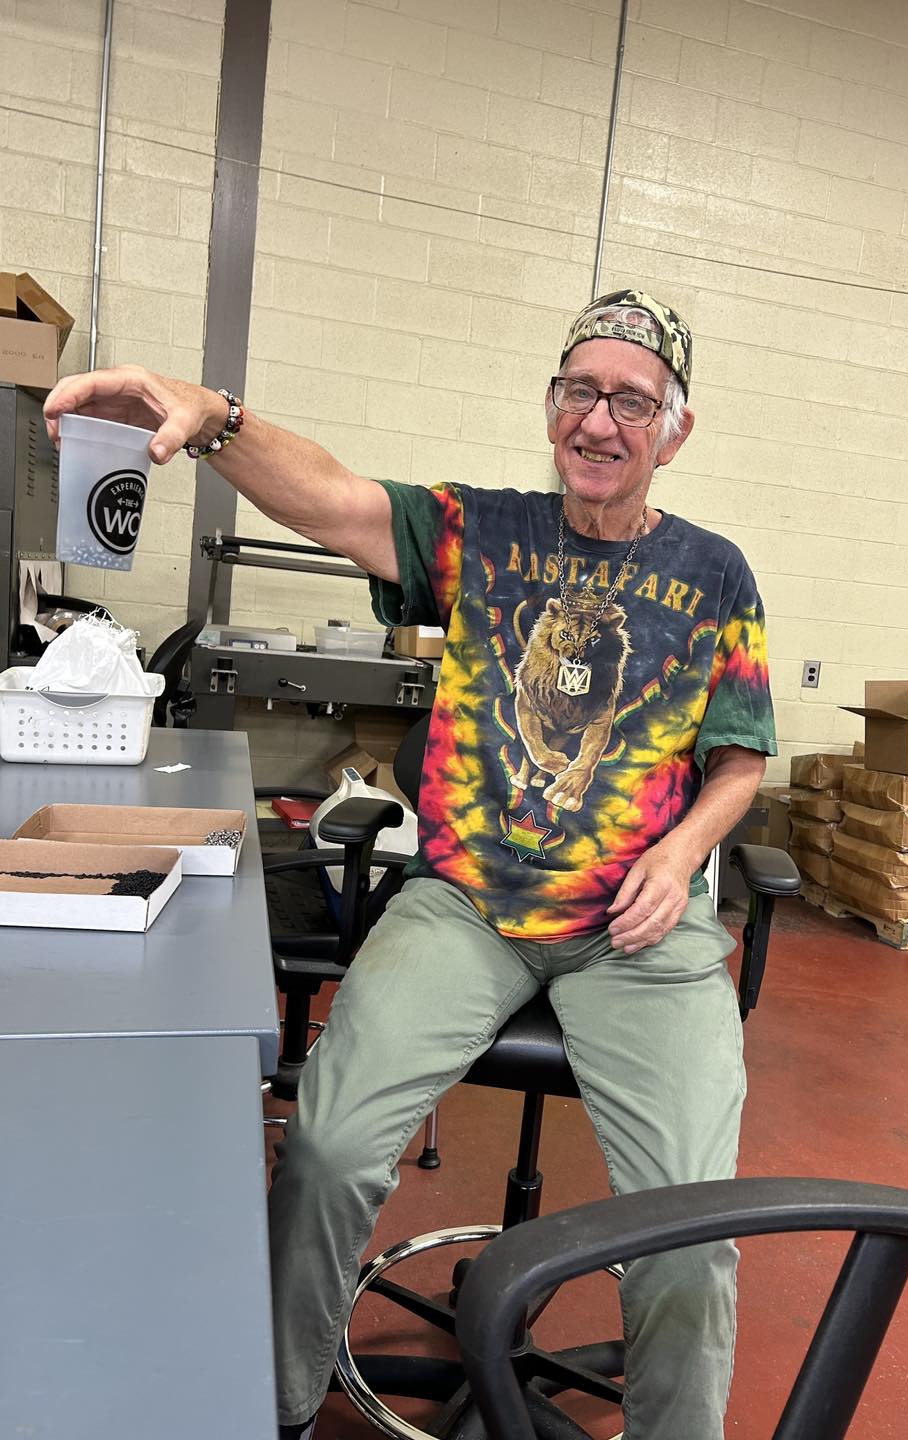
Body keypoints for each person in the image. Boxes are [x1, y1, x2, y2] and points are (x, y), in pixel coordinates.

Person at [45, 288, 777, 1439]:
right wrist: (216, 417)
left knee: (689, 1236)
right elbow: (334, 500)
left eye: (632, 401)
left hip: (637, 926)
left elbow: (739, 760)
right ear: (552, 407)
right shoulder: (481, 533)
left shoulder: (717, 574)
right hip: (468, 904)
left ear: (673, 431)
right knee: (326, 1148)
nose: (599, 420)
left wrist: (684, 849)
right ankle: (276, 1408)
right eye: (579, 391)